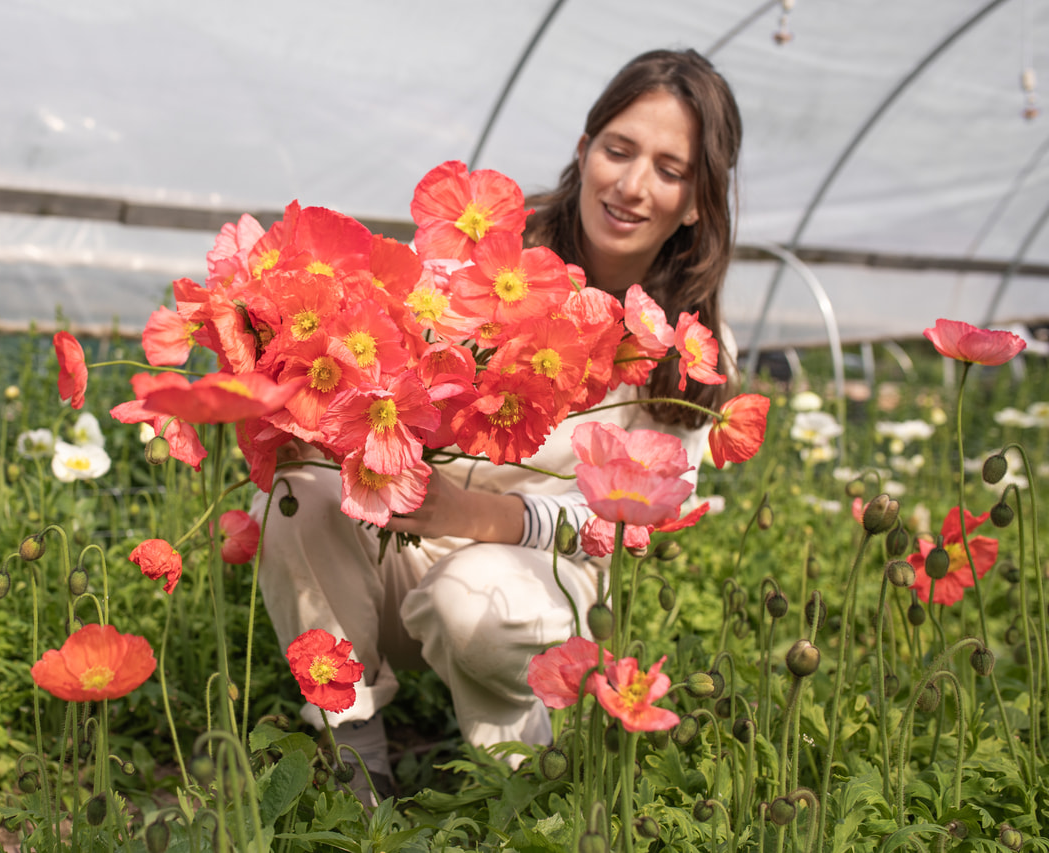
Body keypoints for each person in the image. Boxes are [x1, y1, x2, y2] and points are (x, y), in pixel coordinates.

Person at [250, 48, 743, 793]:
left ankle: (520, 781)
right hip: (406, 545)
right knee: (294, 493)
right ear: (584, 151)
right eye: (618, 149)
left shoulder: (689, 348)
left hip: (544, 582)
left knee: (469, 596)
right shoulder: (484, 262)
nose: (633, 186)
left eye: (670, 170)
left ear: (699, 200)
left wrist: (472, 512)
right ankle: (355, 754)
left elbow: (631, 526)